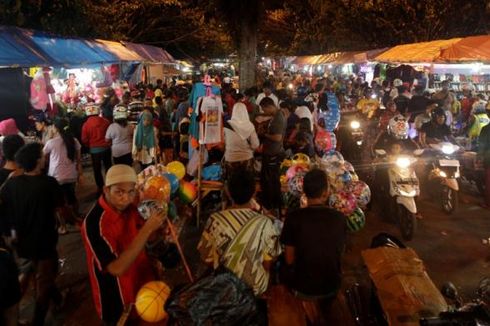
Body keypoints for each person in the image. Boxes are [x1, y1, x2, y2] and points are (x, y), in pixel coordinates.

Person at [81, 165, 165, 325]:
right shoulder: (94, 223)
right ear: (106, 190)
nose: (126, 198)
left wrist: (158, 228)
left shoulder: (133, 206)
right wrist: (148, 229)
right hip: (117, 299)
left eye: (131, 191)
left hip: (143, 284)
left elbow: (148, 236)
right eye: (119, 192)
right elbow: (116, 268)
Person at [0, 142, 64, 326]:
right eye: (42, 156)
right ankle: (38, 320)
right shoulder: (48, 183)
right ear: (37, 161)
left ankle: (59, 300)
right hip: (44, 241)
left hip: (21, 242)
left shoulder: (11, 184)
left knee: (43, 274)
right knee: (43, 283)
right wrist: (73, 219)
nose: (45, 158)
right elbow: (60, 208)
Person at [198, 169, 281, 296]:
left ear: (228, 193)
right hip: (255, 289)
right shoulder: (265, 223)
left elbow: (206, 258)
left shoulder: (214, 220)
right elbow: (268, 262)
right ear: (254, 193)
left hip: (225, 289)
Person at [280, 169, 346, 325]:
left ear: (304, 191)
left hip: (303, 288)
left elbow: (289, 259)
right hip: (331, 286)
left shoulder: (293, 218)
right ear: (325, 192)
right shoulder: (339, 218)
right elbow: (339, 252)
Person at [44, 118, 83, 234]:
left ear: (55, 128)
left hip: (56, 176)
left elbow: (43, 158)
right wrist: (79, 173)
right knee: (71, 197)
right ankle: (76, 218)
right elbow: (78, 159)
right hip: (71, 174)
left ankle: (63, 226)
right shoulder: (74, 140)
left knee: (59, 202)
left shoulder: (51, 142)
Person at [259, 97, 286, 216]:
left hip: (273, 154)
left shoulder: (279, 118)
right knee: (269, 179)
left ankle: (272, 205)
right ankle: (270, 203)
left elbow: (278, 137)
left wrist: (265, 134)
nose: (264, 112)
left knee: (272, 181)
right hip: (270, 152)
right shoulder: (275, 117)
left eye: (264, 109)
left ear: (269, 106)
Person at [223, 103, 260, 179]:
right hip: (246, 160)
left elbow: (224, 142)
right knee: (246, 182)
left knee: (232, 182)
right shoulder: (250, 126)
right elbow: (255, 145)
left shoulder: (227, 125)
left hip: (230, 159)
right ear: (245, 112)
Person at [81, 104, 112, 194]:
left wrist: (90, 145)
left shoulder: (86, 125)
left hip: (94, 150)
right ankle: (110, 184)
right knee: (108, 167)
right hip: (106, 148)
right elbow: (109, 135)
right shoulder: (105, 121)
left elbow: (84, 139)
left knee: (97, 170)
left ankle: (100, 187)